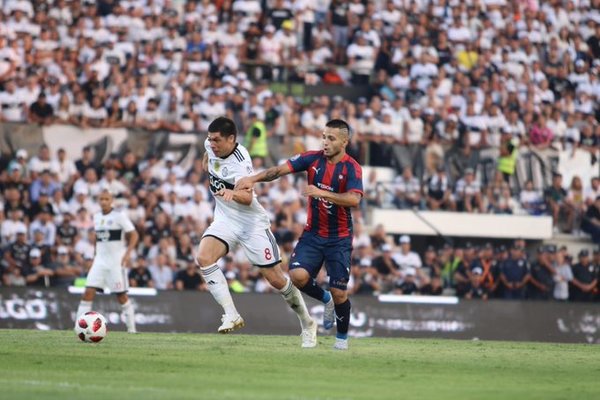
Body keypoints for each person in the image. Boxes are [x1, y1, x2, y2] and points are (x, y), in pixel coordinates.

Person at [236, 119, 363, 350]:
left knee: (339, 292)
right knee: (297, 276)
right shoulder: (312, 159)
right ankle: (325, 301)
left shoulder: (352, 168)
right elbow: (277, 171)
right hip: (313, 234)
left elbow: (354, 199)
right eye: (324, 136)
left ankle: (341, 340)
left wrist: (321, 191)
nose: (325, 142)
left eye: (331, 138)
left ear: (345, 141)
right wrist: (252, 179)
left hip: (339, 237)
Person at [197, 117, 316, 347]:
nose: (212, 144)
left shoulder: (240, 162)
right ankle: (231, 314)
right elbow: (207, 159)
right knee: (204, 257)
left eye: (217, 140)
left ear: (232, 139)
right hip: (224, 219)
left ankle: (307, 322)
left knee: (276, 279)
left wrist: (233, 194)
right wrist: (208, 165)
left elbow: (247, 197)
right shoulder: (209, 146)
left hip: (250, 223)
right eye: (210, 139)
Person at [75, 190, 139, 333]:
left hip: (116, 262)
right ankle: (78, 328)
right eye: (101, 199)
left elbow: (134, 235)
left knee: (121, 295)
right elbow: (99, 238)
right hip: (99, 262)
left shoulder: (119, 216)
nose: (103, 201)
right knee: (88, 292)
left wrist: (127, 254)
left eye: (106, 199)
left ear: (111, 201)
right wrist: (95, 255)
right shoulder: (96, 217)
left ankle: (132, 330)